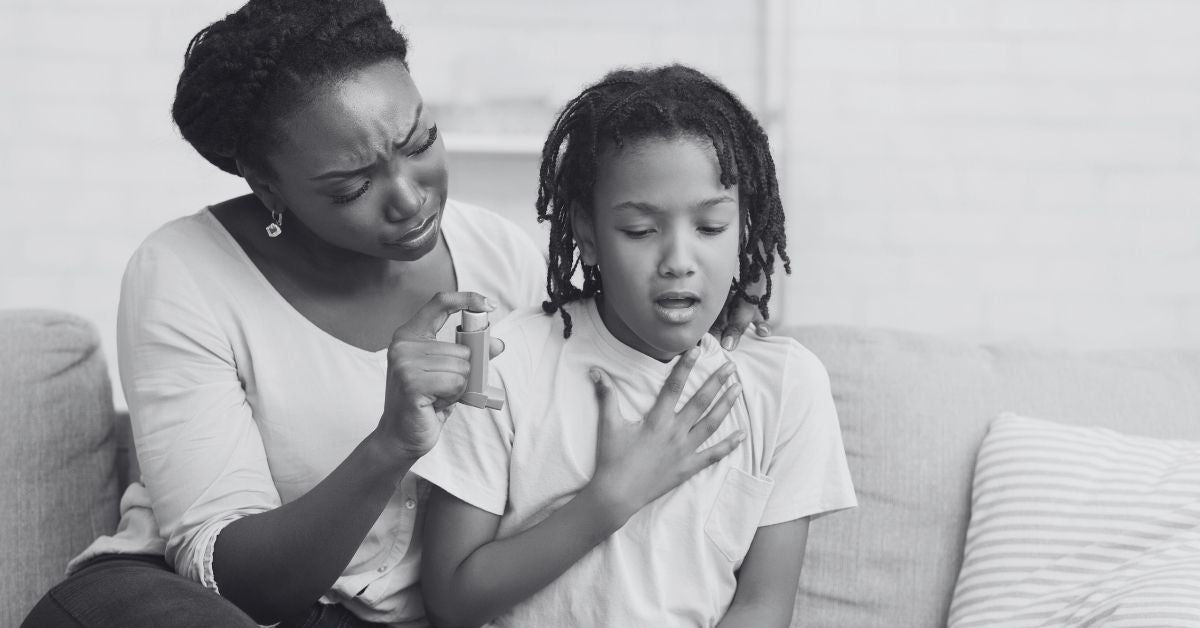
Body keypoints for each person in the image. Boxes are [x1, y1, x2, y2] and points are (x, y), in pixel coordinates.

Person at [20, 3, 767, 628]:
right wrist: (389, 444)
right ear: (267, 184)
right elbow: (237, 583)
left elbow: (629, 327)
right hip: (182, 605)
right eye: (350, 185)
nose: (410, 198)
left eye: (420, 143)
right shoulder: (185, 272)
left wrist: (715, 318)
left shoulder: (497, 259)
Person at [413, 64, 859, 628]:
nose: (678, 259)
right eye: (641, 231)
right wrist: (608, 502)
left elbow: (763, 606)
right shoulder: (502, 362)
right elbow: (451, 601)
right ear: (590, 235)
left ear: (744, 227)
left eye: (712, 227)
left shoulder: (785, 385)